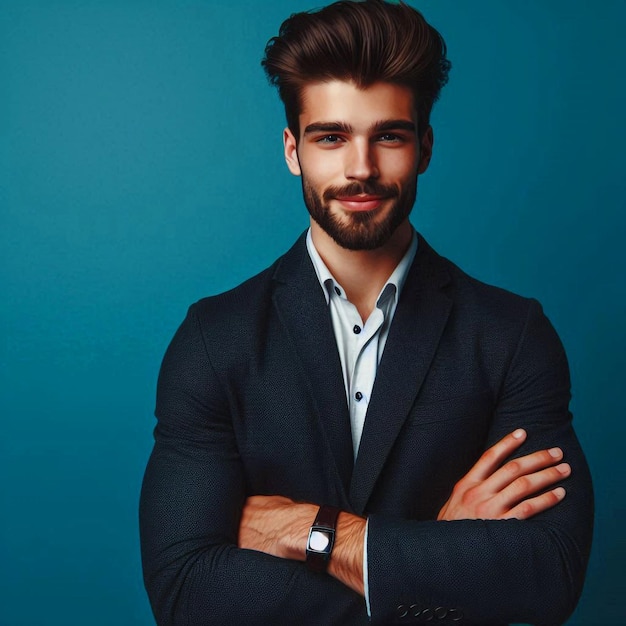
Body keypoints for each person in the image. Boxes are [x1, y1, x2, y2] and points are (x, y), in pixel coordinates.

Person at [139, 1, 593, 624]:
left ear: (425, 148)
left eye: (389, 136)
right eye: (331, 137)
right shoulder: (214, 340)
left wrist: (316, 531)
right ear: (293, 150)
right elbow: (186, 591)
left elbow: (549, 575)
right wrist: (435, 555)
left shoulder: (511, 336)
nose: (361, 169)